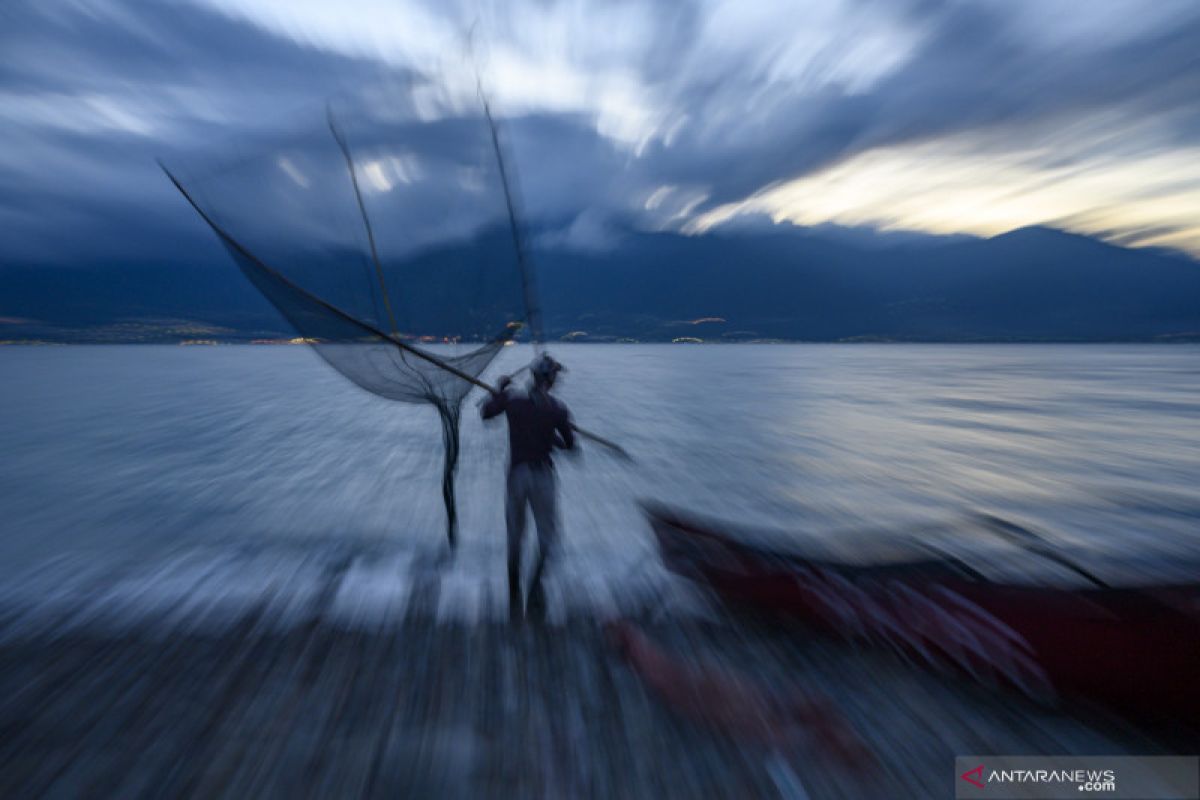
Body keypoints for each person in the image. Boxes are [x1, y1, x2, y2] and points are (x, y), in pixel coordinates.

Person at [481, 353, 576, 620]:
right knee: (547, 537)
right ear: (550, 379)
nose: (556, 380)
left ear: (533, 377)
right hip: (543, 477)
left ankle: (513, 596)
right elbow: (571, 446)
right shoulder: (557, 409)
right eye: (555, 376)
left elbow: (486, 414)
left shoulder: (513, 401)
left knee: (515, 536)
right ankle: (534, 591)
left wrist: (498, 391)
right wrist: (555, 437)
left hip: (517, 476)